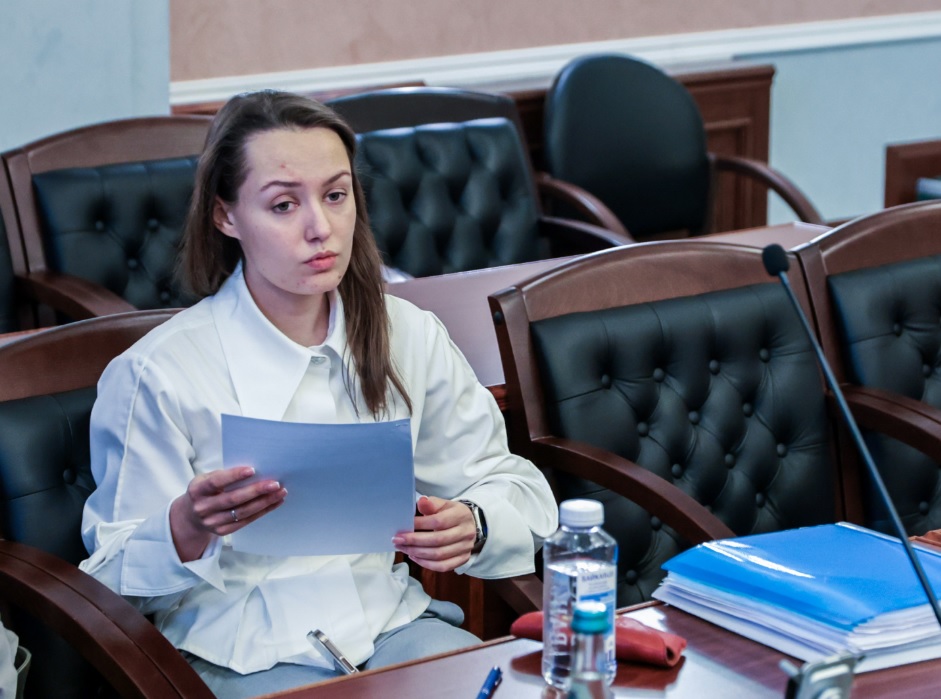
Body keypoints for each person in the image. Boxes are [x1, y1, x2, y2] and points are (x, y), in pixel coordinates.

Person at [78, 90, 558, 698]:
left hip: (394, 633)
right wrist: (185, 528)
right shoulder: (158, 373)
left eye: (336, 195)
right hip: (236, 659)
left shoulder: (407, 334)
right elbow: (105, 588)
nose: (321, 229)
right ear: (225, 216)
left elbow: (518, 490)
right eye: (284, 205)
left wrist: (476, 524)